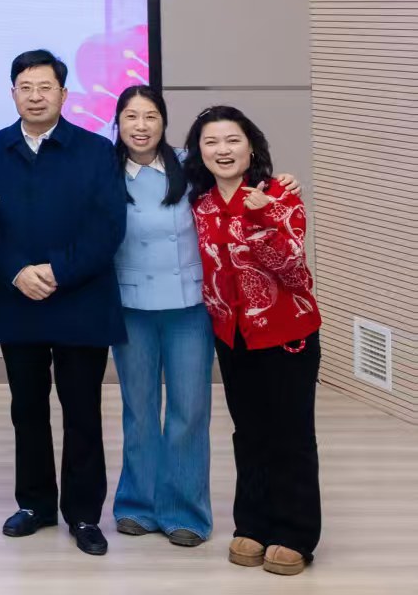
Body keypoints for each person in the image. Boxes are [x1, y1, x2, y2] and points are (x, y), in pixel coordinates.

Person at [0, 49, 124, 556]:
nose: (35, 96)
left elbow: (108, 226)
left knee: (83, 411)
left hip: (81, 300)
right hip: (18, 300)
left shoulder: (96, 150)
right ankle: (35, 504)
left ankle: (83, 513)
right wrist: (17, 271)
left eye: (45, 87)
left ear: (64, 93)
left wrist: (58, 271)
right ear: (12, 93)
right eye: (25, 87)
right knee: (27, 409)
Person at [187, 107, 322, 577]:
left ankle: (296, 533)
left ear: (251, 146)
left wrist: (263, 216)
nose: (222, 150)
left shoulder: (280, 194)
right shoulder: (200, 205)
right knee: (249, 432)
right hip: (232, 335)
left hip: (287, 333)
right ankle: (254, 523)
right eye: (211, 142)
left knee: (291, 434)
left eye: (233, 140)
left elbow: (293, 269)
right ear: (199, 152)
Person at [108, 85, 211, 550]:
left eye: (150, 116)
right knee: (140, 408)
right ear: (118, 123)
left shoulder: (190, 165)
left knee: (189, 410)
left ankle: (185, 511)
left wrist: (281, 182)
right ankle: (138, 504)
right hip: (131, 305)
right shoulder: (105, 171)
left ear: (164, 121)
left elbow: (240, 176)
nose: (141, 126)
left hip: (189, 305)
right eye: (131, 116)